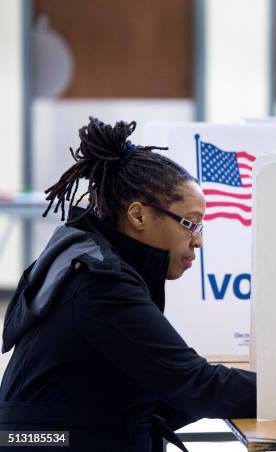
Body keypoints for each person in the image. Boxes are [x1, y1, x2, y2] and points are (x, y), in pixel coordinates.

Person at [0, 118, 256, 451]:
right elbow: (195, 384)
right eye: (190, 224)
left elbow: (167, 389)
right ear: (138, 216)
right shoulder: (101, 284)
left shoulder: (88, 259)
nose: (198, 242)